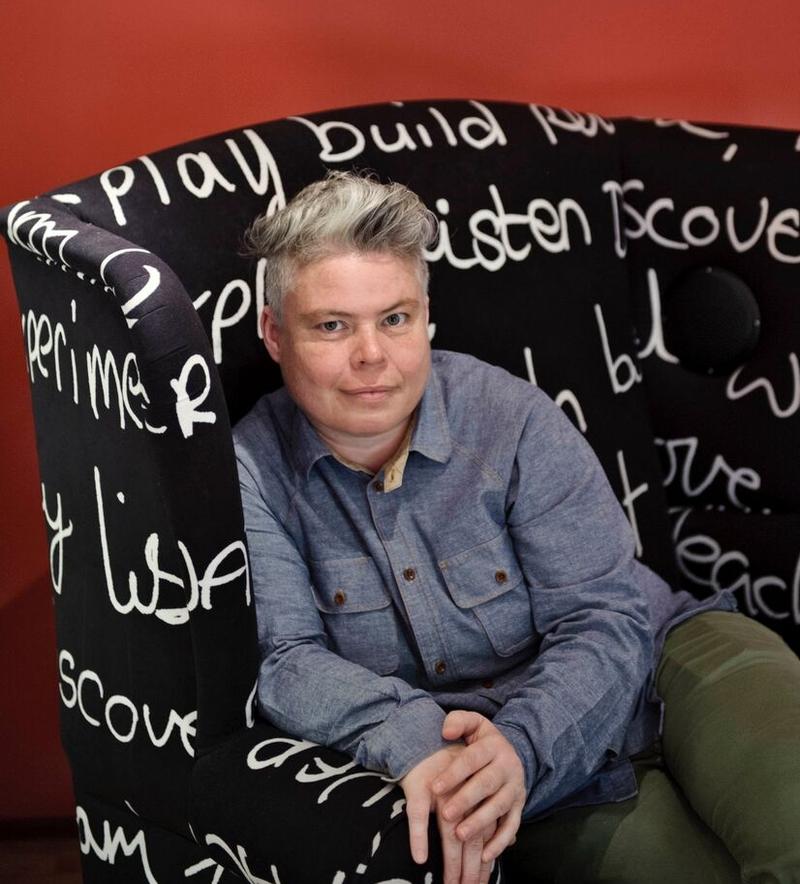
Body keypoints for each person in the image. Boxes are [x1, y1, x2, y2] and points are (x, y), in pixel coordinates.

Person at [234, 171, 800, 883]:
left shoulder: (513, 417)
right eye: (332, 326)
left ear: (427, 316)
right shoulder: (252, 468)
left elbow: (604, 615)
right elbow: (285, 659)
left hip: (669, 663)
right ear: (275, 334)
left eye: (396, 318)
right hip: (508, 769)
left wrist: (526, 743)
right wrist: (417, 741)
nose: (371, 355)